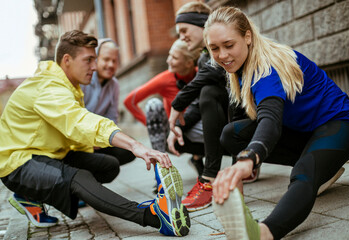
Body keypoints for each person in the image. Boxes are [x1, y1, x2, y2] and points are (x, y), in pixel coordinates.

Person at [0, 30, 190, 237]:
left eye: (95, 59)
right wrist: (137, 146)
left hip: (51, 154)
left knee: (108, 165)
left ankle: (47, 195)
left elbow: (75, 134)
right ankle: (152, 215)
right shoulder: (48, 86)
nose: (94, 66)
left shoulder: (71, 86)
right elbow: (79, 121)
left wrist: (116, 144)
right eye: (88, 60)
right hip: (18, 163)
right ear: (67, 60)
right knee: (78, 178)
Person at [203, 7, 349, 240]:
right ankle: (325, 167)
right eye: (214, 48)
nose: (222, 55)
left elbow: (270, 120)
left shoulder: (265, 69)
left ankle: (265, 232)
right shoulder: (241, 65)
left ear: (247, 37)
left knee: (304, 173)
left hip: (341, 125)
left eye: (228, 45)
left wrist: (249, 158)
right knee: (231, 134)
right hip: (305, 132)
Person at [169, 1, 259, 212]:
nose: (181, 37)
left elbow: (205, 80)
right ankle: (229, 168)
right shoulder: (203, 59)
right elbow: (201, 101)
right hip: (235, 125)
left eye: (184, 30)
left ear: (203, 26)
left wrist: (177, 105)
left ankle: (211, 176)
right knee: (206, 96)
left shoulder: (224, 55)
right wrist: (180, 127)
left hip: (261, 120)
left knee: (208, 91)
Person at [124, 39, 205, 177]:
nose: (168, 60)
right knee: (153, 105)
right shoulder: (164, 79)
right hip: (172, 133)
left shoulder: (202, 73)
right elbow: (129, 101)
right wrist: (151, 125)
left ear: (189, 63)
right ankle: (161, 174)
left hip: (198, 129)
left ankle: (199, 161)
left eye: (174, 57)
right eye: (169, 55)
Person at [81, 38, 135, 168]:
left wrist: (104, 138)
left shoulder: (114, 85)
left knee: (128, 150)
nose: (110, 65)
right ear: (96, 59)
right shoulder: (83, 79)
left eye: (114, 61)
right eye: (106, 59)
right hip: (79, 141)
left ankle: (94, 174)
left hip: (99, 141)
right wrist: (89, 139)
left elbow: (112, 118)